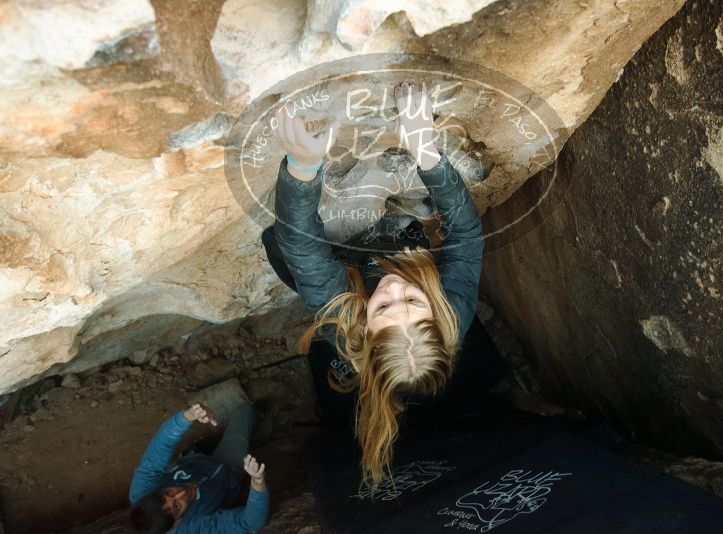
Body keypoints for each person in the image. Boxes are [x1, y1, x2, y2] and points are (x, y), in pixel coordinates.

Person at [261, 81, 485, 489]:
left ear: (365, 327)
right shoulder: (453, 313)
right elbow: (466, 235)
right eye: (413, 301)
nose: (395, 288)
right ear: (437, 312)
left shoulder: (340, 321)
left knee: (289, 242)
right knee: (404, 234)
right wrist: (426, 150)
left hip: (343, 268)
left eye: (383, 308)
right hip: (398, 248)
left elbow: (302, 245)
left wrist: (302, 168)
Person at [128, 403, 269, 533]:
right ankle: (262, 414)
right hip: (226, 472)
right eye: (177, 506)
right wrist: (257, 483)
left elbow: (160, 447)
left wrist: (189, 415)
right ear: (177, 522)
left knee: (189, 453)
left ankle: (194, 451)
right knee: (244, 412)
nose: (181, 493)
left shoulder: (142, 490)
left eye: (169, 492)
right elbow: (250, 523)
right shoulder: (192, 528)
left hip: (193, 462)